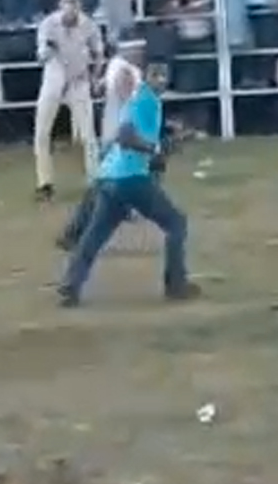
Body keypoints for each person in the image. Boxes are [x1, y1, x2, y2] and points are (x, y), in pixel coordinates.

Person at [56, 61, 201, 306]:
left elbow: (131, 140)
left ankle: (70, 286)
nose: (161, 80)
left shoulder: (143, 100)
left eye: (164, 75)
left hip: (111, 178)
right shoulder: (145, 100)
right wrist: (156, 148)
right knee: (176, 223)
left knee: (95, 235)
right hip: (130, 178)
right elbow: (125, 137)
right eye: (156, 75)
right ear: (146, 77)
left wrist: (167, 145)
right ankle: (176, 285)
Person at [32, 0, 103, 201]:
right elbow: (41, 55)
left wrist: (95, 77)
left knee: (87, 134)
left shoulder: (88, 25)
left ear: (78, 9)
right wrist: (49, 48)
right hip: (54, 77)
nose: (69, 13)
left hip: (78, 79)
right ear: (60, 8)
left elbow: (98, 52)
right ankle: (44, 183)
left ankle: (95, 180)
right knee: (42, 132)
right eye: (66, 7)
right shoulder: (48, 25)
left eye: (74, 7)